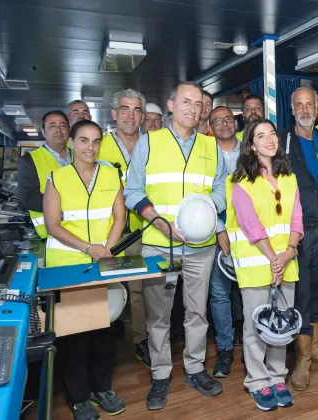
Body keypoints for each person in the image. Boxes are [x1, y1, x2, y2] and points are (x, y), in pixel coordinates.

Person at [123, 81, 227, 410]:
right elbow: (133, 192)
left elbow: (223, 188)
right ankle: (160, 373)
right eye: (186, 102)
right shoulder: (149, 143)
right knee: (159, 317)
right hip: (159, 246)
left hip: (200, 246)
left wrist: (206, 209)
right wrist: (157, 220)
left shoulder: (211, 148)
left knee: (197, 313)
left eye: (198, 104)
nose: (192, 109)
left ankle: (195, 368)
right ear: (170, 105)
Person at [43, 120, 127, 420]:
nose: (89, 147)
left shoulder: (110, 174)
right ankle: (78, 398)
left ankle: (102, 388)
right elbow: (53, 225)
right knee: (74, 337)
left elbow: (120, 216)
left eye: (95, 141)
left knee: (103, 332)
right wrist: (87, 247)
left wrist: (107, 249)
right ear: (72, 143)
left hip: (102, 261)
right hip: (67, 264)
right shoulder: (57, 177)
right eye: (83, 141)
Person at [225, 118, 302, 411]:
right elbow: (251, 226)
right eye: (261, 135)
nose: (270, 139)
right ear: (251, 145)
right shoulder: (238, 182)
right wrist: (274, 258)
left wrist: (290, 251)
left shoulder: (289, 178)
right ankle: (257, 381)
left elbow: (297, 219)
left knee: (282, 325)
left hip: (286, 262)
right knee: (257, 326)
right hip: (257, 265)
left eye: (272, 134)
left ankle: (277, 376)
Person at [280, 86, 318, 391]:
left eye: (310, 105)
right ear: (292, 110)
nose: (305, 110)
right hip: (298, 230)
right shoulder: (283, 140)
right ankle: (302, 359)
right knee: (301, 294)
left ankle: (315, 346)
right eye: (299, 105)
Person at [97, 88, 150, 367]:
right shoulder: (98, 145)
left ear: (142, 115)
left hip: (141, 229)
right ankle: (101, 347)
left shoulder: (151, 144)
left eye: (136, 109)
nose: (131, 115)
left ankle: (141, 340)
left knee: (140, 291)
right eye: (125, 109)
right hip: (108, 232)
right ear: (114, 113)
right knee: (105, 288)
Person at [206, 105, 244, 378]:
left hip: (249, 233)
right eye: (216, 121)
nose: (223, 124)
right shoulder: (203, 154)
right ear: (210, 126)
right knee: (219, 294)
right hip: (217, 232)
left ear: (235, 122)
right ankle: (225, 349)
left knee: (249, 290)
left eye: (228, 119)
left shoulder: (251, 148)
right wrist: (220, 228)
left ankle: (255, 345)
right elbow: (201, 195)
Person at [17, 110, 72, 240]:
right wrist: (72, 203)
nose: (58, 130)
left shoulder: (80, 156)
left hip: (82, 231)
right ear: (43, 132)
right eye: (52, 126)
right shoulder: (29, 160)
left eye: (63, 125)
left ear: (69, 130)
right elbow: (28, 198)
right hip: (50, 235)